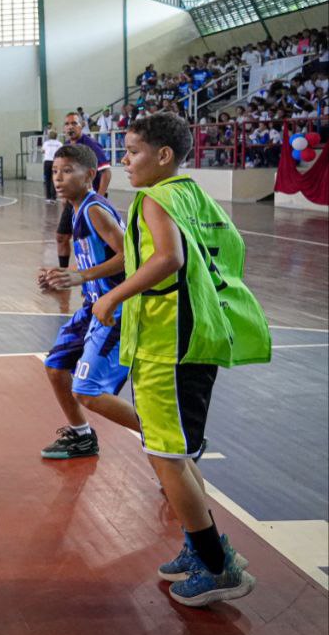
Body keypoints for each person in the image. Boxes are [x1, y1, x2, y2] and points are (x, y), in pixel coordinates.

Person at [94, 113, 269, 606]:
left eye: (133, 151)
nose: (124, 160)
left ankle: (218, 568)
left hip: (168, 342)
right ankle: (202, 546)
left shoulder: (154, 198)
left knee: (167, 455)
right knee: (179, 451)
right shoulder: (194, 194)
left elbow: (167, 258)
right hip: (200, 337)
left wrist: (113, 297)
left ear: (163, 155)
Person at [34, 146, 140, 459]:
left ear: (89, 175)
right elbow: (94, 262)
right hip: (92, 306)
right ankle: (81, 436)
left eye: (67, 171)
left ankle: (171, 439)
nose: (58, 178)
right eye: (55, 171)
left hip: (114, 310)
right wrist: (61, 276)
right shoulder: (79, 209)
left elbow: (130, 257)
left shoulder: (94, 209)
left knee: (88, 391)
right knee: (56, 367)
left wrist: (80, 277)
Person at [55, 112, 111, 268]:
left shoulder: (90, 145)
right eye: (67, 124)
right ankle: (63, 273)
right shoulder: (66, 148)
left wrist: (98, 198)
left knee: (92, 240)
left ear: (82, 125)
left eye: (74, 123)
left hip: (89, 201)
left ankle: (98, 278)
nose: (70, 127)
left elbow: (106, 172)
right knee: (61, 236)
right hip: (73, 200)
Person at [40, 131, 62, 203]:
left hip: (47, 162)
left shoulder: (46, 143)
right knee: (54, 179)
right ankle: (53, 197)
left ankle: (48, 197)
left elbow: (42, 151)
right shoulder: (59, 143)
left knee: (47, 179)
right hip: (55, 162)